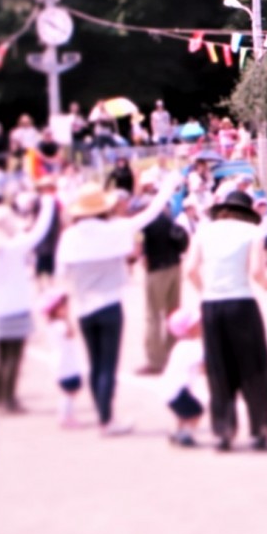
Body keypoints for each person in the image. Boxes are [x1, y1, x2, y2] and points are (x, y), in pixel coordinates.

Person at [55, 176, 179, 436]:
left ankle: (103, 414)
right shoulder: (115, 229)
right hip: (110, 304)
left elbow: (61, 276)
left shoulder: (69, 237)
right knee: (108, 365)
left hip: (84, 308)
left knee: (95, 364)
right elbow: (150, 213)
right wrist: (168, 186)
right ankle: (106, 419)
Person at [186, 188, 267, 452]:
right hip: (241, 302)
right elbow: (257, 271)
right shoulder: (253, 232)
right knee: (254, 367)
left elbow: (190, 269)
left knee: (218, 368)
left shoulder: (203, 231)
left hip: (211, 303)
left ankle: (223, 430)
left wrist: (205, 290)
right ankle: (260, 428)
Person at [0, 193, 57, 412]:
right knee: (13, 356)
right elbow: (39, 231)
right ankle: (9, 400)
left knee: (0, 357)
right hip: (15, 308)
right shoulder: (13, 248)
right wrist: (48, 204)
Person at [137, 178, 189, 375]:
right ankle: (172, 354)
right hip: (174, 266)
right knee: (172, 313)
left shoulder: (145, 222)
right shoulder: (168, 217)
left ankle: (155, 360)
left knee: (153, 316)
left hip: (157, 269)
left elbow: (140, 251)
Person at [160, 306, 208, 447]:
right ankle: (186, 435)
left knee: (184, 413)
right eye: (198, 324)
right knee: (197, 410)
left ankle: (179, 431)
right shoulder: (194, 347)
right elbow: (204, 367)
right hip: (178, 391)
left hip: (167, 390)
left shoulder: (179, 346)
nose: (201, 326)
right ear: (189, 329)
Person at [39, 289, 85, 428]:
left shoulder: (52, 325)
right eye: (62, 307)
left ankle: (67, 416)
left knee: (70, 391)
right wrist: (67, 319)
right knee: (69, 392)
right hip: (66, 364)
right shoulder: (60, 325)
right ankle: (65, 417)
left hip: (63, 363)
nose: (66, 309)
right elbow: (71, 333)